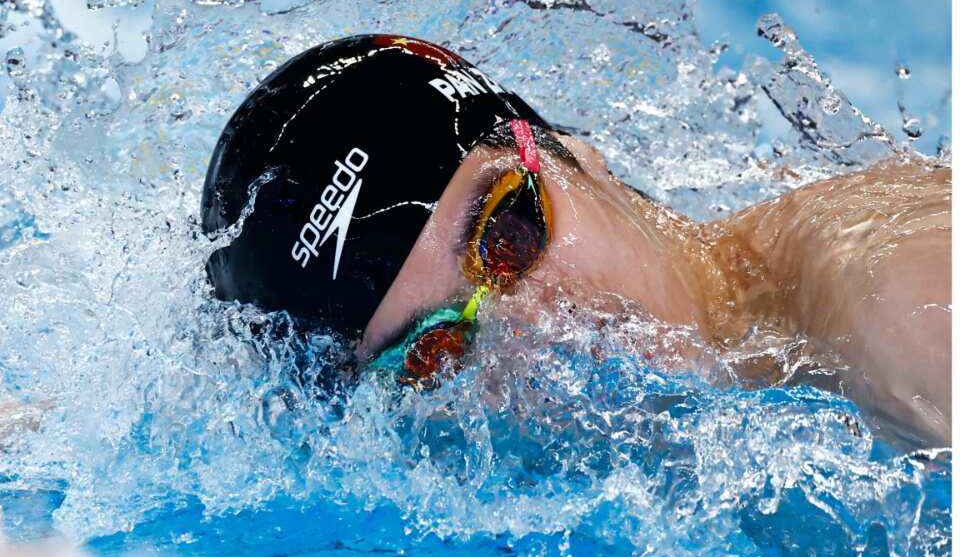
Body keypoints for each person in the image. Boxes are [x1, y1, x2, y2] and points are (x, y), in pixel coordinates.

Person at [202, 34, 951, 448]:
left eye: (506, 238)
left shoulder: (894, 299)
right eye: (435, 354)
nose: (526, 328)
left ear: (576, 156)